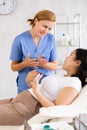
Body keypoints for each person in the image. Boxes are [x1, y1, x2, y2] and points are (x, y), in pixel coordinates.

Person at [0, 48, 87, 125]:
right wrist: (30, 82)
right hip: (19, 100)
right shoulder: (62, 76)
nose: (66, 57)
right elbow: (45, 93)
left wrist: (36, 91)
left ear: (78, 62)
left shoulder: (74, 82)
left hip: (25, 109)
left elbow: (56, 109)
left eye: (71, 55)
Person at [10, 10, 58, 94]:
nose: (46, 31)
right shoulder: (20, 40)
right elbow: (13, 67)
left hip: (46, 87)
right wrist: (25, 64)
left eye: (49, 28)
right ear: (36, 21)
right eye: (44, 26)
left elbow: (55, 66)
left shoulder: (51, 39)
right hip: (26, 86)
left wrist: (44, 64)